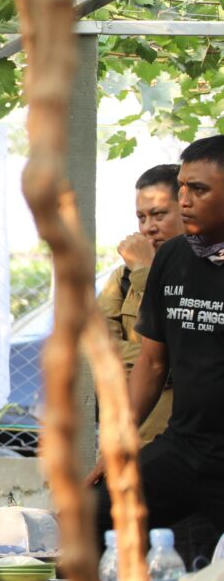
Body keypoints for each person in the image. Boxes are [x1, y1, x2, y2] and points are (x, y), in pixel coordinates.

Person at [93, 135, 224, 562]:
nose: (184, 199)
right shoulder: (172, 257)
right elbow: (151, 361)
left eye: (198, 190)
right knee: (99, 511)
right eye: (182, 187)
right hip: (185, 447)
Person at [96, 164, 183, 444]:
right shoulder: (122, 278)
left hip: (185, 445)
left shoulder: (207, 274)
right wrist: (164, 363)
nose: (148, 228)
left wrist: (146, 274)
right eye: (141, 217)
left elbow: (184, 335)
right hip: (130, 439)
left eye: (159, 214)